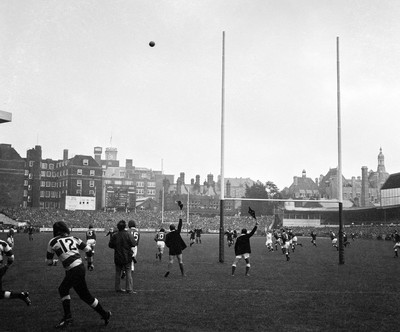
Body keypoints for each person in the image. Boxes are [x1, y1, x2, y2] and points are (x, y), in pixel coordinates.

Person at [46, 221, 111, 328]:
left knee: (63, 289)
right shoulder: (74, 238)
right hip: (80, 267)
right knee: (85, 296)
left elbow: (48, 262)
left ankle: (68, 318)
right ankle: (105, 314)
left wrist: (54, 262)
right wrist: (90, 263)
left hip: (73, 270)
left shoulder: (53, 241)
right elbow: (89, 250)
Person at [108, 220, 137, 293]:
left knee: (118, 272)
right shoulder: (128, 234)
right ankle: (129, 289)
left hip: (117, 256)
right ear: (125, 226)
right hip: (127, 256)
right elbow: (134, 243)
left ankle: (117, 288)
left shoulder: (115, 235)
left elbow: (110, 245)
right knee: (128, 272)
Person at [0, 238, 31, 305]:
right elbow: (11, 257)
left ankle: (21, 295)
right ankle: (21, 295)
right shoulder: (2, 243)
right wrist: (6, 266)